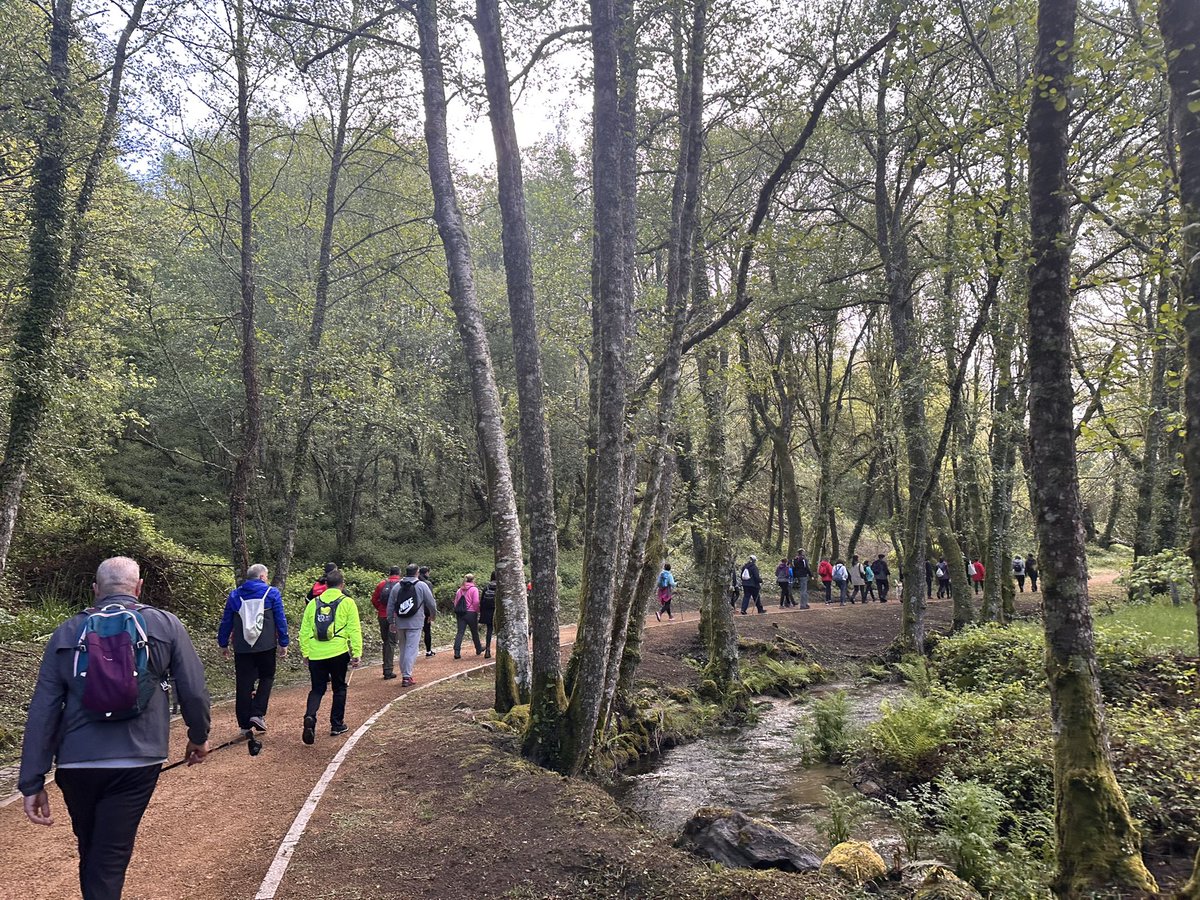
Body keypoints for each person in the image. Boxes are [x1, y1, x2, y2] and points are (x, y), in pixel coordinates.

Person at [19, 556, 211, 900]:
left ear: (96, 590)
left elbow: (44, 709)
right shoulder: (165, 625)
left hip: (77, 762)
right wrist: (198, 737)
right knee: (109, 855)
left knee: (92, 848)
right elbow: (193, 690)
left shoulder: (66, 632)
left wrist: (32, 780)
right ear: (138, 588)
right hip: (138, 760)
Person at [218, 563, 289, 732]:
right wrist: (283, 642)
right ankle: (257, 713)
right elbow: (280, 619)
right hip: (266, 645)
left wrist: (223, 643)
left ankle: (244, 725)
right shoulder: (271, 593)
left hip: (243, 647)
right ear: (262, 577)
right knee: (267, 676)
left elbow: (226, 621)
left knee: (243, 683)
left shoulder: (235, 595)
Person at [299, 568, 362, 743]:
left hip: (316, 653)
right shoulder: (348, 602)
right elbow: (354, 629)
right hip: (338, 652)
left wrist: (306, 652)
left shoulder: (313, 603)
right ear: (342, 585)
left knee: (317, 689)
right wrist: (356, 652)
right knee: (339, 687)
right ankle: (336, 724)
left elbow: (304, 630)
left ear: (325, 585)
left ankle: (310, 716)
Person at [389, 564, 436, 686]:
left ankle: (405, 674)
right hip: (415, 622)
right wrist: (432, 615)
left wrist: (391, 621)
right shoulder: (421, 585)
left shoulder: (397, 587)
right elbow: (431, 602)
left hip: (400, 621)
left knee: (403, 648)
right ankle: (406, 676)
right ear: (417, 572)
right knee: (411, 648)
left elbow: (390, 605)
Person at [370, 566, 403, 679]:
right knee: (391, 642)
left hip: (382, 616)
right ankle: (388, 670)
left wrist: (380, 609)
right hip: (394, 617)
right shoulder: (401, 585)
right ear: (399, 573)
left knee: (386, 641)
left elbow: (374, 599)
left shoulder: (381, 584)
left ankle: (386, 667)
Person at [453, 574, 484, 658]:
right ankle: (478, 648)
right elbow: (476, 602)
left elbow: (456, 602)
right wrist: (477, 611)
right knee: (474, 632)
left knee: (460, 632)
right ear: (473, 580)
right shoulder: (474, 589)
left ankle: (456, 651)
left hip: (460, 613)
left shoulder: (459, 590)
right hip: (471, 613)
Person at [418, 566, 436, 657]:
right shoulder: (427, 583)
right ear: (426, 573)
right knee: (427, 631)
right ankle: (428, 651)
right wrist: (431, 613)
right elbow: (430, 600)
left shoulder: (414, 582)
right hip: (425, 611)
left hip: (415, 611)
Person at [479, 573, 497, 657]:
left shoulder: (487, 587)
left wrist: (482, 613)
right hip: (497, 611)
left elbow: (482, 602)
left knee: (489, 631)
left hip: (488, 613)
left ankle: (488, 650)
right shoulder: (501, 587)